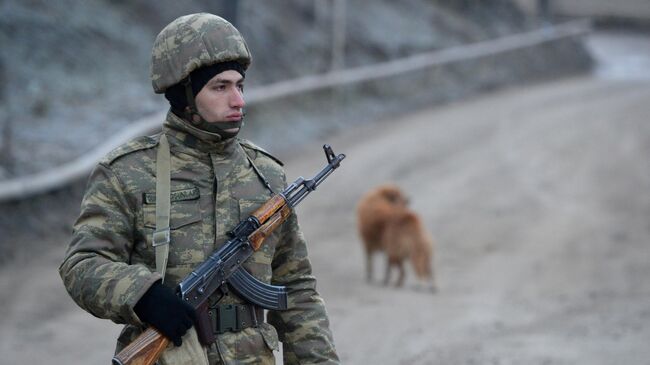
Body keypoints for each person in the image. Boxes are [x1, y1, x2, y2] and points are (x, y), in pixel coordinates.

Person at [59, 13, 340, 365]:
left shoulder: (265, 172)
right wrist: (143, 295)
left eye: (240, 85)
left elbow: (295, 288)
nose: (238, 100)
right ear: (183, 94)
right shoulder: (128, 172)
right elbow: (82, 265)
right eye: (220, 87)